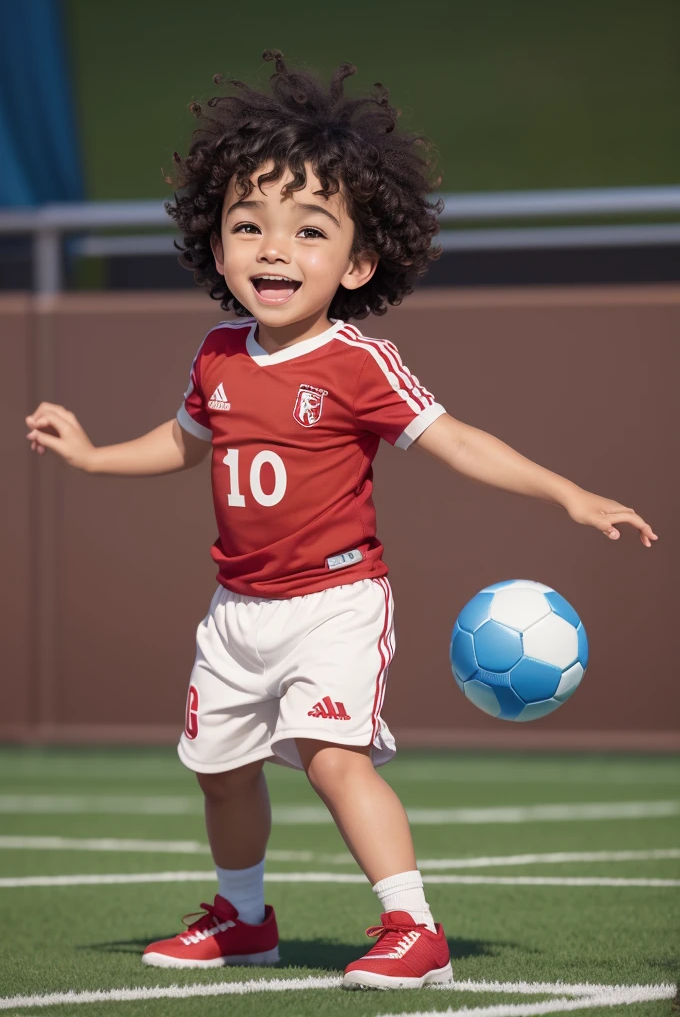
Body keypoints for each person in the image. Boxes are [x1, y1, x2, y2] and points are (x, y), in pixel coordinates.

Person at [25, 50, 657, 991]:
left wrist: (567, 492)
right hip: (236, 612)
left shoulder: (359, 362)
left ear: (359, 261)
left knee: (330, 757)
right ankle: (244, 918)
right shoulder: (216, 356)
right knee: (219, 770)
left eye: (308, 231)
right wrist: (90, 455)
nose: (274, 250)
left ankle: (415, 928)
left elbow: (458, 442)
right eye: (249, 226)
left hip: (336, 601)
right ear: (216, 243)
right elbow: (183, 440)